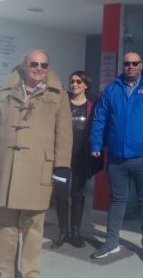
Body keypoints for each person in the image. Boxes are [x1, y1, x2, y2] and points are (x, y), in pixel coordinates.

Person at [0, 49, 72, 278]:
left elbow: (64, 134)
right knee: (5, 226)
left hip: (37, 171)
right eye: (34, 64)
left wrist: (61, 169)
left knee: (33, 227)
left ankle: (31, 273)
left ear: (48, 68)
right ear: (24, 65)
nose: (39, 68)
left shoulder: (58, 95)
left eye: (43, 65)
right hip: (6, 169)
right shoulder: (5, 91)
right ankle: (5, 273)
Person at [89, 51, 143, 262]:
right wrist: (96, 143)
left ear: (141, 65)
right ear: (123, 65)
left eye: (135, 63)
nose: (131, 66)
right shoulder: (112, 89)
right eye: (127, 63)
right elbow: (99, 118)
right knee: (117, 200)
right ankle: (111, 243)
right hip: (116, 158)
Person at [51, 70, 104, 248]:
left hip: (82, 157)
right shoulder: (62, 102)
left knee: (78, 195)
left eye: (79, 82)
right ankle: (63, 231)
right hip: (62, 157)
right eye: (72, 81)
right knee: (60, 194)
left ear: (86, 85)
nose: (74, 84)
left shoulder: (93, 105)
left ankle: (75, 232)